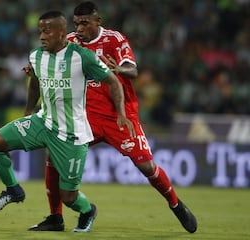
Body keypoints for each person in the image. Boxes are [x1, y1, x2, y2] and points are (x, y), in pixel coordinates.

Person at [28, 1, 197, 234]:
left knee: (146, 166)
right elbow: (49, 61)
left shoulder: (114, 39)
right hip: (85, 117)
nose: (79, 28)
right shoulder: (70, 42)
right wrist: (34, 68)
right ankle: (56, 217)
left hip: (119, 115)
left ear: (98, 21)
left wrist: (118, 69)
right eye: (76, 23)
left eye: (85, 23)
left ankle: (176, 204)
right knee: (54, 156)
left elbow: (133, 70)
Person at [0, 10, 133, 233]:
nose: (42, 36)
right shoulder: (36, 55)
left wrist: (121, 112)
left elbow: (114, 82)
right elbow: (35, 81)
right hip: (43, 122)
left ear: (62, 33)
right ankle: (13, 190)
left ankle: (87, 211)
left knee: (69, 197)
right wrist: (27, 113)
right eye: (40, 31)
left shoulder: (82, 57)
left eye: (47, 31)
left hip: (71, 134)